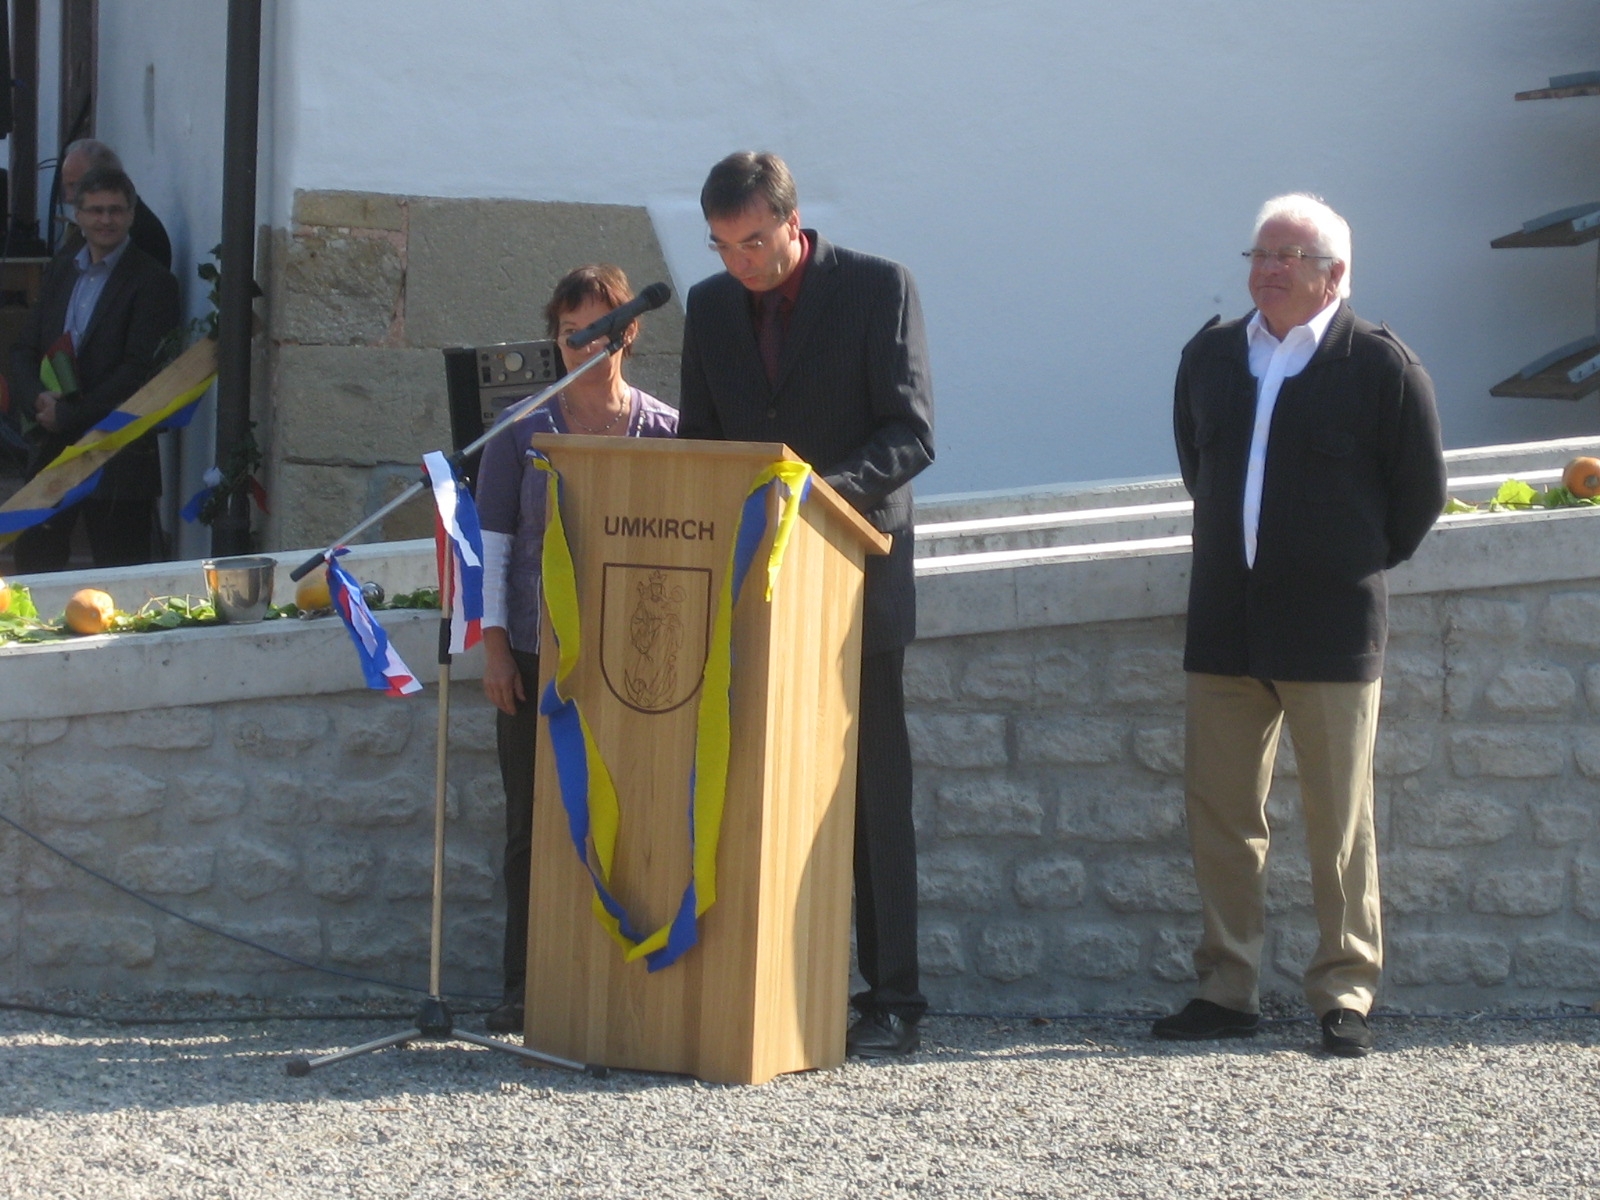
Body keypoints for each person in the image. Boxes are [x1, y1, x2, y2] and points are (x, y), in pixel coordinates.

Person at [1155, 194, 1446, 1057]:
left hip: (1330, 629)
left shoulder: (1382, 366)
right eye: (1260, 253)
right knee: (1221, 812)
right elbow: (1197, 468)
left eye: (1289, 256)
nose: (1268, 269)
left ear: (1335, 274)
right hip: (1226, 625)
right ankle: (1226, 986)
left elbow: (1417, 499)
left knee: (1338, 820)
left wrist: (1338, 565)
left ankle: (1344, 992)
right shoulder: (1209, 356)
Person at [678, 151, 935, 1058]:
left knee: (870, 795)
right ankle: (765, 980)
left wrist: (818, 499)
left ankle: (893, 996)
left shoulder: (877, 288)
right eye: (722, 247)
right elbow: (703, 441)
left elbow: (911, 433)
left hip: (852, 576)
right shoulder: (710, 307)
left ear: (793, 222)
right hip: (750, 585)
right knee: (753, 783)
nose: (740, 263)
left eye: (753, 242)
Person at [476, 264, 679, 1034]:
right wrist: (497, 650)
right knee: (532, 823)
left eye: (597, 330)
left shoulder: (668, 430)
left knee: (634, 818)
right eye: (569, 334)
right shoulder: (520, 429)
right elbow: (494, 548)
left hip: (635, 662)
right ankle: (524, 985)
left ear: (628, 333)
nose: (582, 346)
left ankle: (622, 981)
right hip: (536, 655)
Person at [9, 165, 180, 572]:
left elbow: (138, 371)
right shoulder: (61, 269)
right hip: (52, 449)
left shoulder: (153, 281)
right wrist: (37, 401)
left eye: (116, 210)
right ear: (78, 215)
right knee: (34, 565)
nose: (106, 220)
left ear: (132, 214)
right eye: (96, 210)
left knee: (119, 573)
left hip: (118, 455)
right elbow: (23, 348)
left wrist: (69, 414)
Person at [57, 139, 172, 269]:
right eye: (66, 186)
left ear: (105, 178)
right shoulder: (89, 228)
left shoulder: (138, 232)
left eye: (75, 186)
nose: (68, 197)